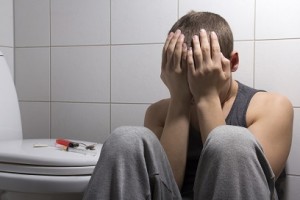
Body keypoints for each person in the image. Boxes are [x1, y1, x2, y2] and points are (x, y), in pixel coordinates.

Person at [83, 11, 293, 200]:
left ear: (233, 63)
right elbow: (167, 183)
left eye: (202, 70)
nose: (193, 83)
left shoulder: (272, 107)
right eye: (185, 73)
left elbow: (246, 186)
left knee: (231, 140)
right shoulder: (159, 113)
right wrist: (179, 100)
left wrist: (206, 95)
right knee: (126, 138)